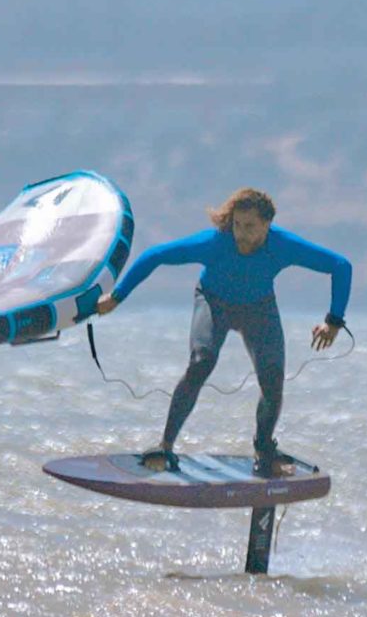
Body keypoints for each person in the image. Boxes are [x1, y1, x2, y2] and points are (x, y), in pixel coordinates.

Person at [96, 186, 351, 475]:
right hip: (213, 303)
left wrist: (333, 321)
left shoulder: (282, 245)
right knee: (201, 362)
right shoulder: (216, 242)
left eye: (250, 227)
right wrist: (117, 297)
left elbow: (340, 265)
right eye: (237, 225)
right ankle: (165, 446)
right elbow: (155, 255)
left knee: (272, 379)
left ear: (268, 224)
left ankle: (264, 448)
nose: (241, 234)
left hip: (259, 308)